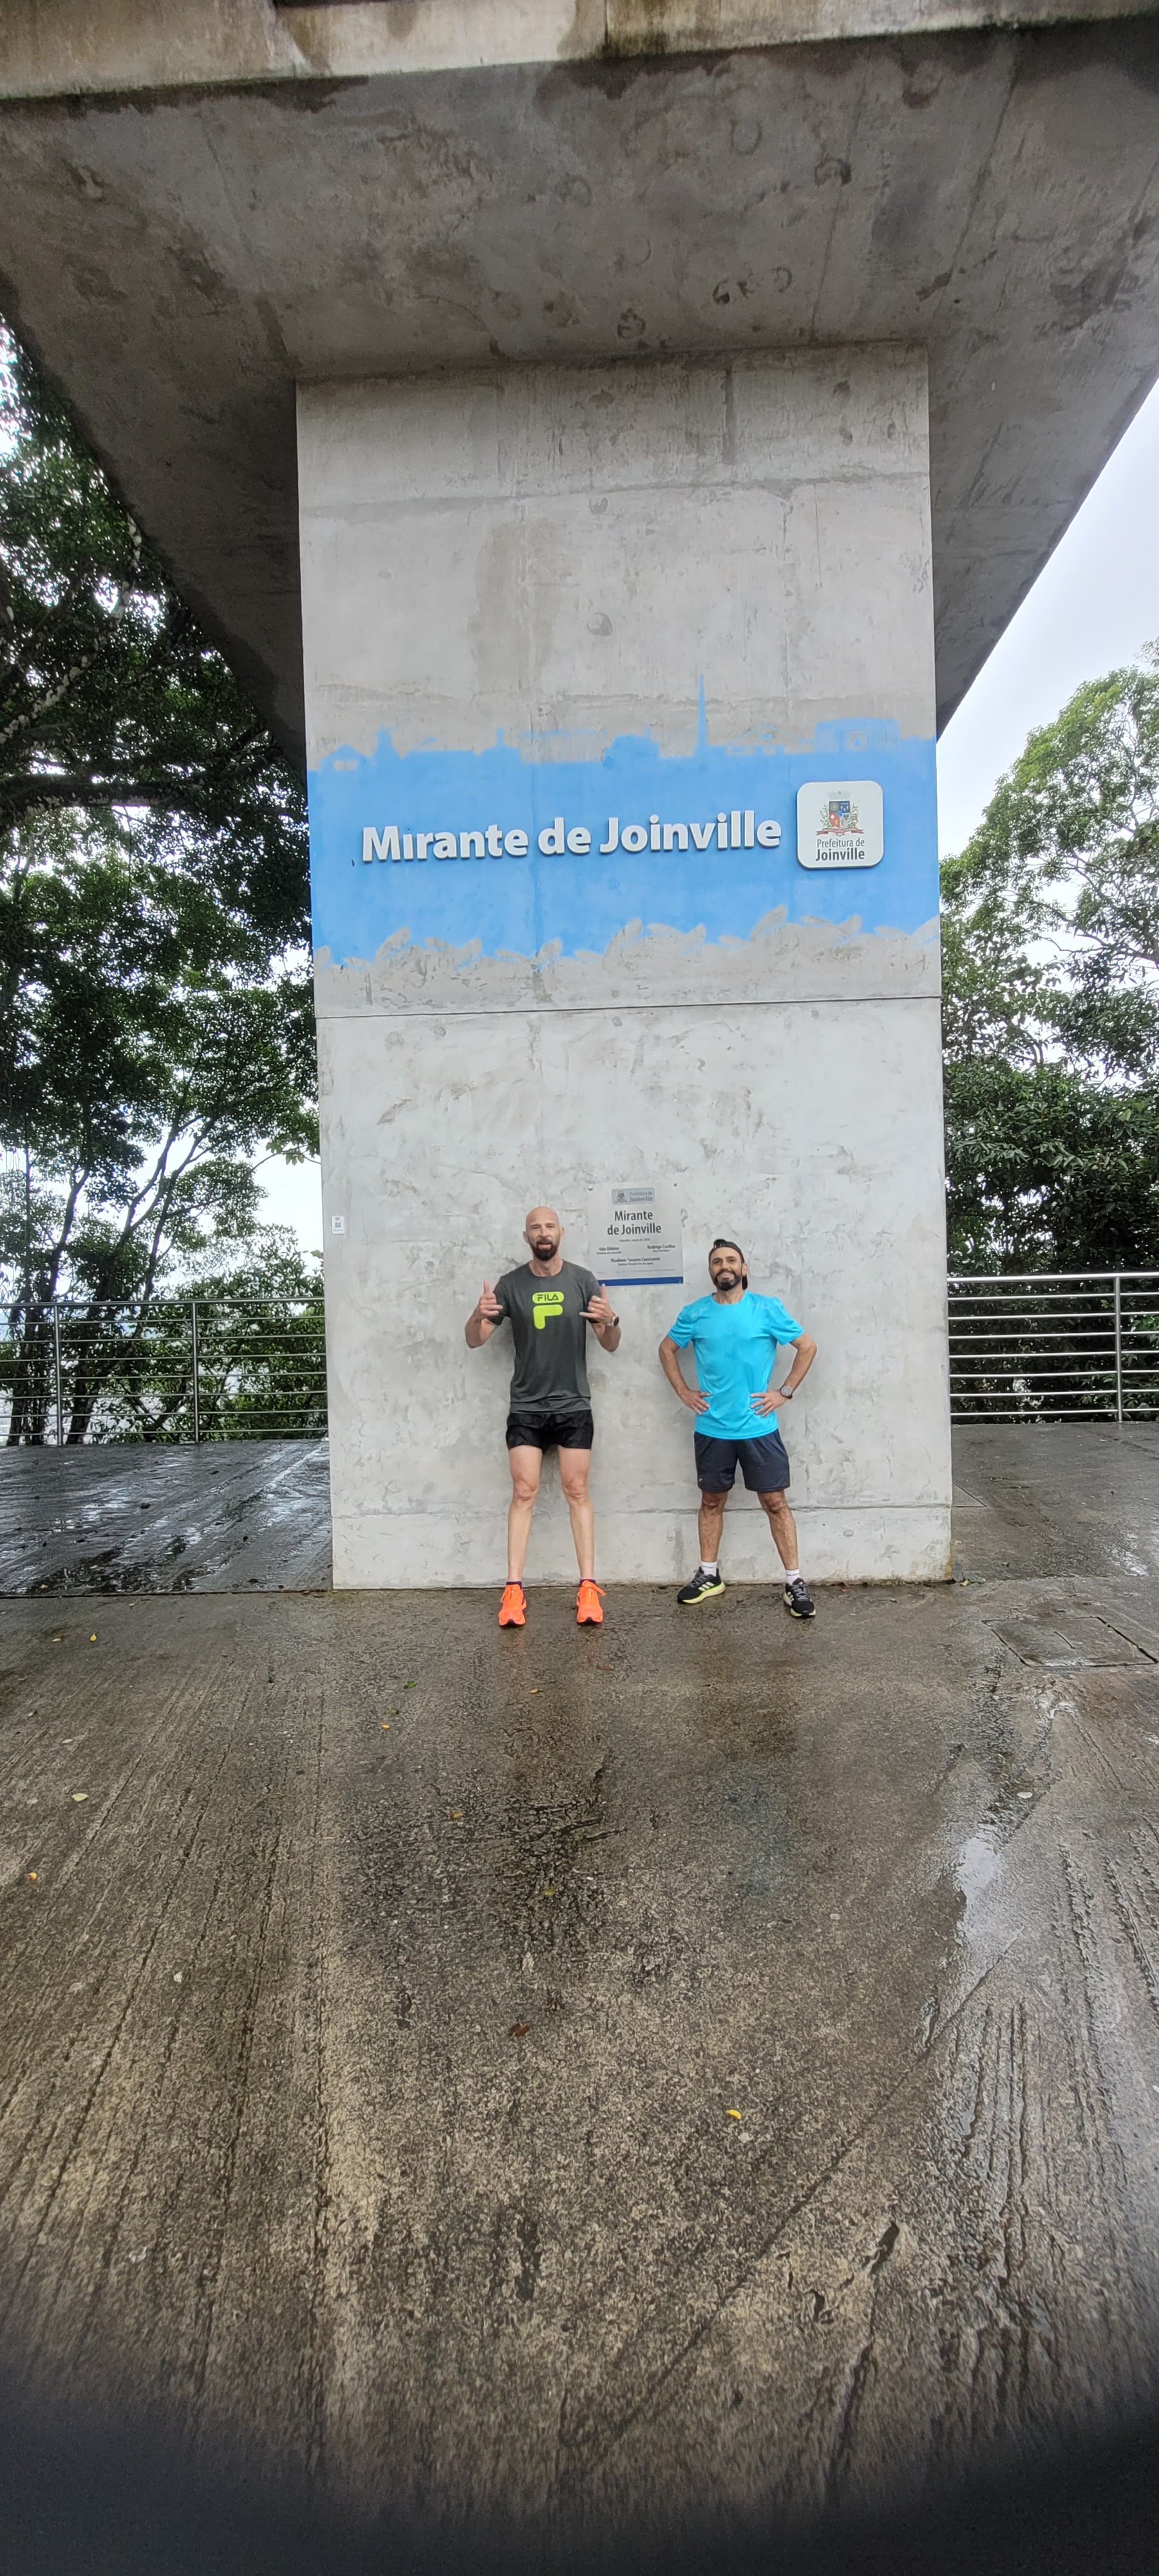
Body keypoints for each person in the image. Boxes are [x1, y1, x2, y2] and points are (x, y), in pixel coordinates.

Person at [465, 1205, 621, 1627]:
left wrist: (611, 1320)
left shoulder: (583, 1280)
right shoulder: (511, 1284)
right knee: (523, 1492)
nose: (543, 1232)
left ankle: (588, 1587)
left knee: (577, 1490)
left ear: (561, 1233)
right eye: (536, 1227)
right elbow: (475, 1340)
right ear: (527, 1236)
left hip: (573, 1405)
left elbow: (610, 1343)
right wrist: (478, 1314)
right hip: (527, 1408)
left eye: (550, 1226)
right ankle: (513, 1591)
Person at [658, 1236, 818, 1616]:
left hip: (759, 1427)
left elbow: (807, 1346)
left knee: (775, 1503)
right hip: (712, 1428)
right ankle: (709, 1574)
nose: (724, 1266)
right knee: (711, 1501)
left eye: (731, 1260)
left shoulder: (766, 1309)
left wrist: (784, 1392)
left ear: (744, 1269)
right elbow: (666, 1349)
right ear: (711, 1271)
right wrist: (684, 1392)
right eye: (717, 1262)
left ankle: (794, 1582)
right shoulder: (696, 1313)